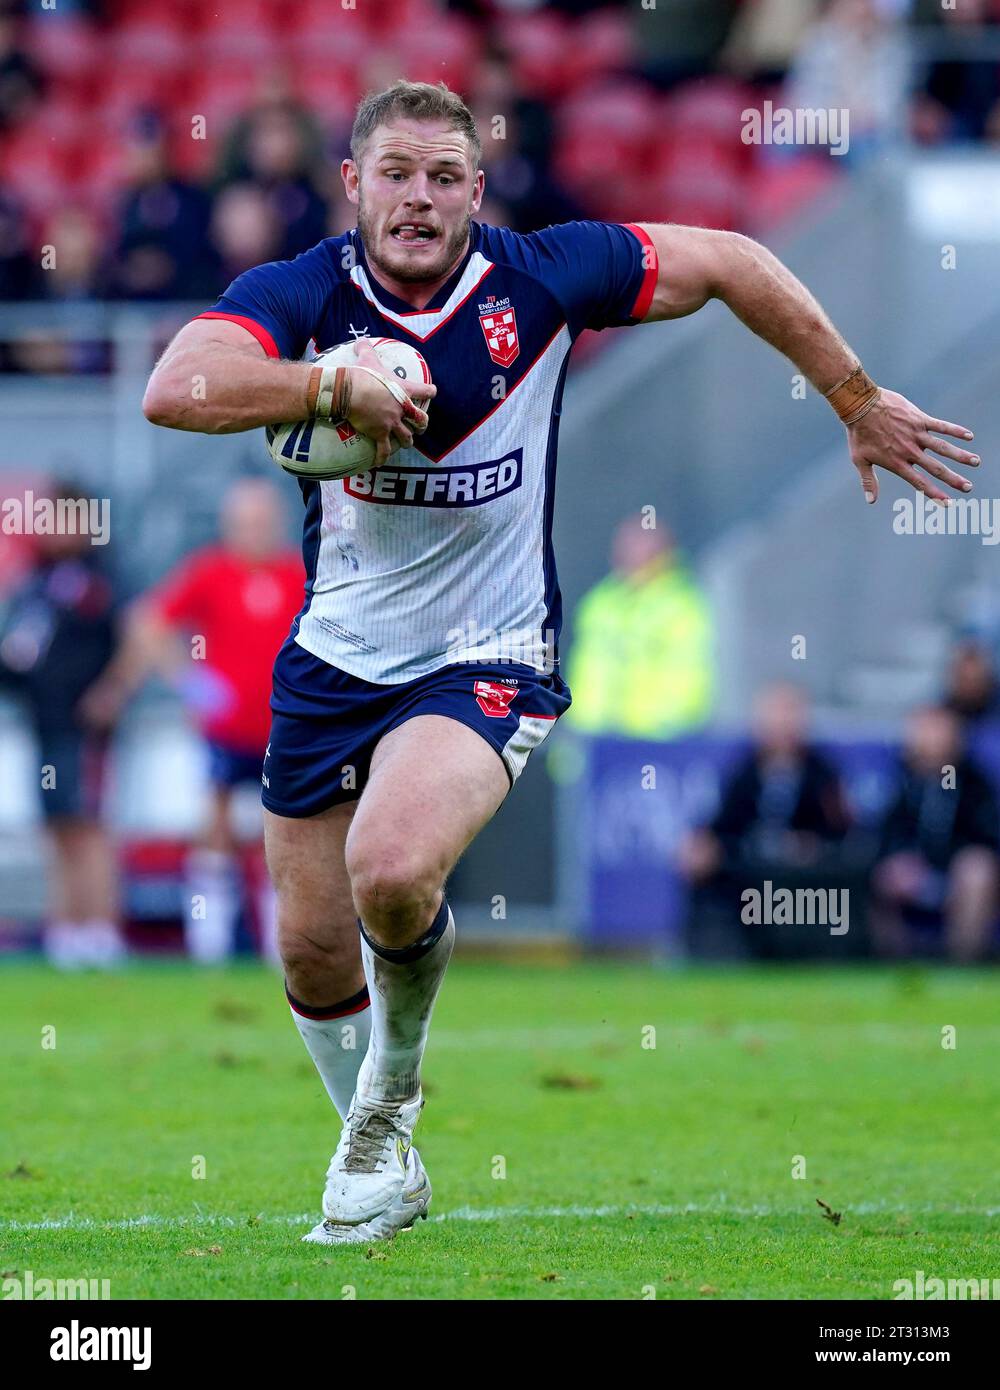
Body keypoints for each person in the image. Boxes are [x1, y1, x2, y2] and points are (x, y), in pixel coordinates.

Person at [140, 79, 980, 1245]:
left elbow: (734, 259)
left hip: (487, 652)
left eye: (445, 177)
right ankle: (380, 1156)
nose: (419, 199)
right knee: (313, 943)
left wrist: (849, 395)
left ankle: (384, 1115)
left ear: (477, 191)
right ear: (353, 184)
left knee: (392, 869)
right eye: (396, 174)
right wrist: (332, 383)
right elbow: (174, 387)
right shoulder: (303, 295)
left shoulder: (543, 276)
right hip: (333, 658)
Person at [82, 478, 303, 964]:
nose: (253, 531)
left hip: (286, 730)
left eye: (262, 521)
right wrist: (188, 680)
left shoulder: (297, 572)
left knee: (281, 839)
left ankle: (281, 949)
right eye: (244, 522)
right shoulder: (210, 572)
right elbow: (146, 621)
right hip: (225, 731)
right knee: (216, 830)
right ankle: (211, 947)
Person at [0, 481, 124, 969]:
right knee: (55, 827)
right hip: (44, 723)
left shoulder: (102, 580)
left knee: (88, 826)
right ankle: (66, 930)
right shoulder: (35, 582)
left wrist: (112, 689)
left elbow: (134, 635)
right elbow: (20, 655)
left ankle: (101, 930)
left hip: (84, 727)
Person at [679, 683, 849, 955]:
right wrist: (704, 845)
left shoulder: (823, 773)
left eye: (787, 714)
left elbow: (843, 833)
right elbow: (724, 825)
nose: (780, 724)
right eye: (773, 715)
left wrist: (810, 845)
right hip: (750, 867)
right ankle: (701, 951)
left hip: (804, 876)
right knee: (698, 857)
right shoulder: (744, 771)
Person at [871, 705, 999, 962]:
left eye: (939, 730)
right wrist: (904, 860)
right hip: (915, 873)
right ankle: (895, 963)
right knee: (886, 874)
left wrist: (948, 864)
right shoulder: (903, 781)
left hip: (958, 874)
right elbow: (887, 834)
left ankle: (963, 961)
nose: (931, 738)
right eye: (925, 730)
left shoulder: (972, 782)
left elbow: (986, 836)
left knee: (976, 870)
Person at [566, 515, 713, 738]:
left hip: (656, 741)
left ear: (660, 552)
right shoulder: (601, 602)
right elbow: (586, 672)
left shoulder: (682, 606)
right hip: (593, 741)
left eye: (636, 543)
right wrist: (578, 728)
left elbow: (689, 676)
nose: (625, 551)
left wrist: (667, 729)